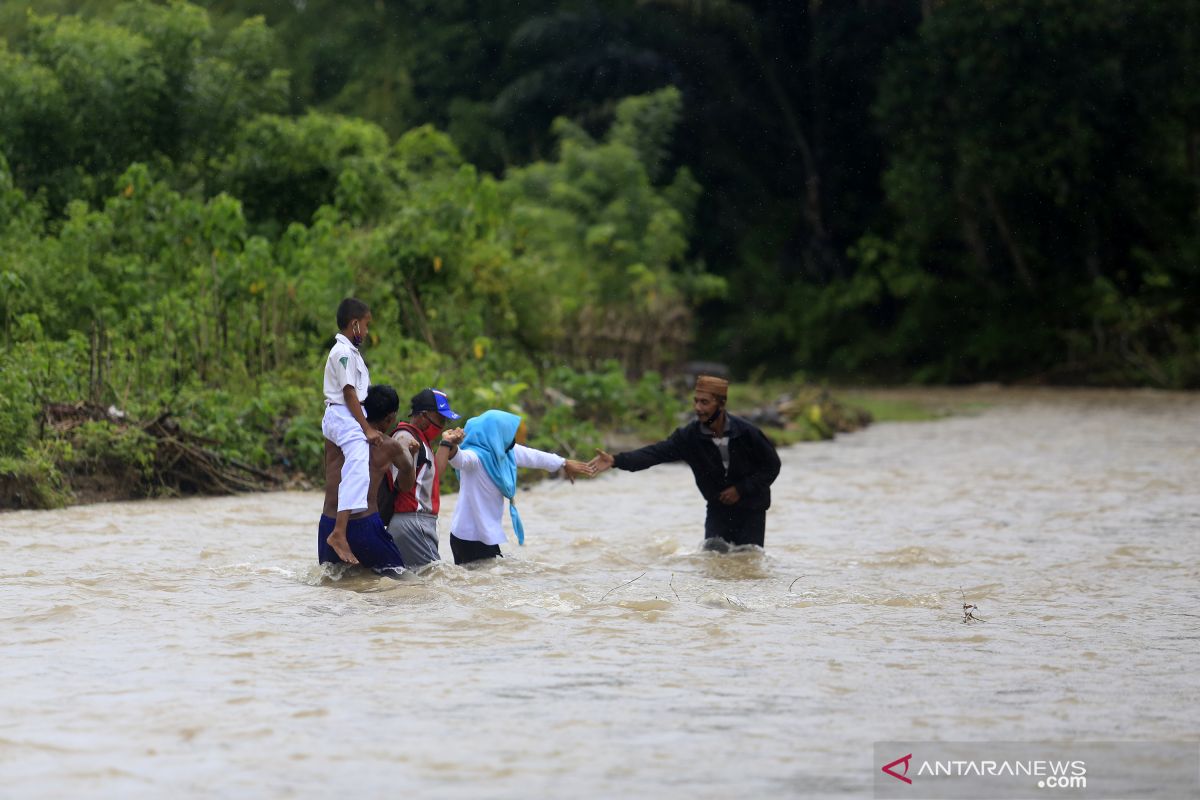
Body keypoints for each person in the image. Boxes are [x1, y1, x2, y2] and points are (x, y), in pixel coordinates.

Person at [589, 375, 781, 550]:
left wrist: (741, 489)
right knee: (712, 560)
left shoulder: (748, 433)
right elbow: (655, 453)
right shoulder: (689, 437)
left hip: (752, 510)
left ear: (721, 404)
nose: (698, 408)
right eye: (696, 401)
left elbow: (772, 466)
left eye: (705, 402)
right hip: (718, 510)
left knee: (749, 562)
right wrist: (615, 460)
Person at [442, 409, 593, 565]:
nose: (511, 438)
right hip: (468, 537)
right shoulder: (475, 457)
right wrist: (451, 446)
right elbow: (459, 459)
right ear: (495, 435)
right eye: (506, 433)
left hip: (485, 535)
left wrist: (564, 463)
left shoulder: (503, 453)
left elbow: (535, 457)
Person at [318, 384, 419, 572]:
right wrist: (412, 453)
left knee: (332, 585)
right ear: (390, 417)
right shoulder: (390, 447)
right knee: (401, 583)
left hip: (329, 523)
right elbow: (406, 485)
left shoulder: (334, 436)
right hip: (363, 525)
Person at [321, 297, 382, 563]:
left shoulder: (350, 352)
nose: (367, 332)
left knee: (345, 468)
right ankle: (339, 532)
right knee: (358, 463)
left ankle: (340, 525)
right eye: (366, 325)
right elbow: (348, 393)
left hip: (343, 415)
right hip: (343, 415)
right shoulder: (343, 352)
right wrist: (366, 428)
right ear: (354, 324)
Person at [383, 388, 461, 568]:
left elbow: (435, 474)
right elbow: (403, 481)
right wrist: (408, 457)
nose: (443, 424)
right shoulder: (405, 436)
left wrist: (447, 443)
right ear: (424, 416)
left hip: (416, 523)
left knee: (415, 586)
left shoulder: (421, 441)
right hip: (414, 522)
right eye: (440, 419)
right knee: (435, 581)